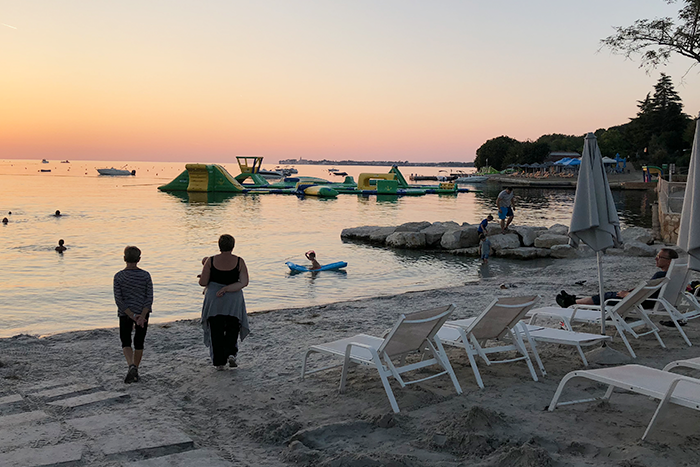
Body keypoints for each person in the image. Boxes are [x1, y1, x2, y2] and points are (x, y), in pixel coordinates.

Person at [557, 248, 679, 309]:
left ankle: (571, 303)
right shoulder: (675, 275)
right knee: (610, 294)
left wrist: (626, 294)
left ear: (669, 261)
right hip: (656, 302)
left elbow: (644, 295)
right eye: (657, 256)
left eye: (660, 257)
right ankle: (576, 300)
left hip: (642, 304)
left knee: (606, 296)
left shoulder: (660, 276)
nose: (656, 259)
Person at [199, 234, 250, 370]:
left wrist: (207, 278)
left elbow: (203, 282)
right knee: (233, 327)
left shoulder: (211, 260)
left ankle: (219, 362)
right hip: (233, 300)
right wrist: (227, 288)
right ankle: (231, 354)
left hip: (214, 299)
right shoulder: (239, 261)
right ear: (233, 246)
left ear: (219, 245)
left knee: (216, 330)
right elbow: (244, 282)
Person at [113, 246, 153, 384]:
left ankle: (131, 365)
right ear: (139, 259)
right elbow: (149, 298)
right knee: (139, 342)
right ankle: (135, 367)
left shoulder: (119, 276)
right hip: (143, 314)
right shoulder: (145, 275)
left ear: (124, 258)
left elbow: (119, 300)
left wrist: (131, 315)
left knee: (125, 341)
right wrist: (142, 315)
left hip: (125, 314)